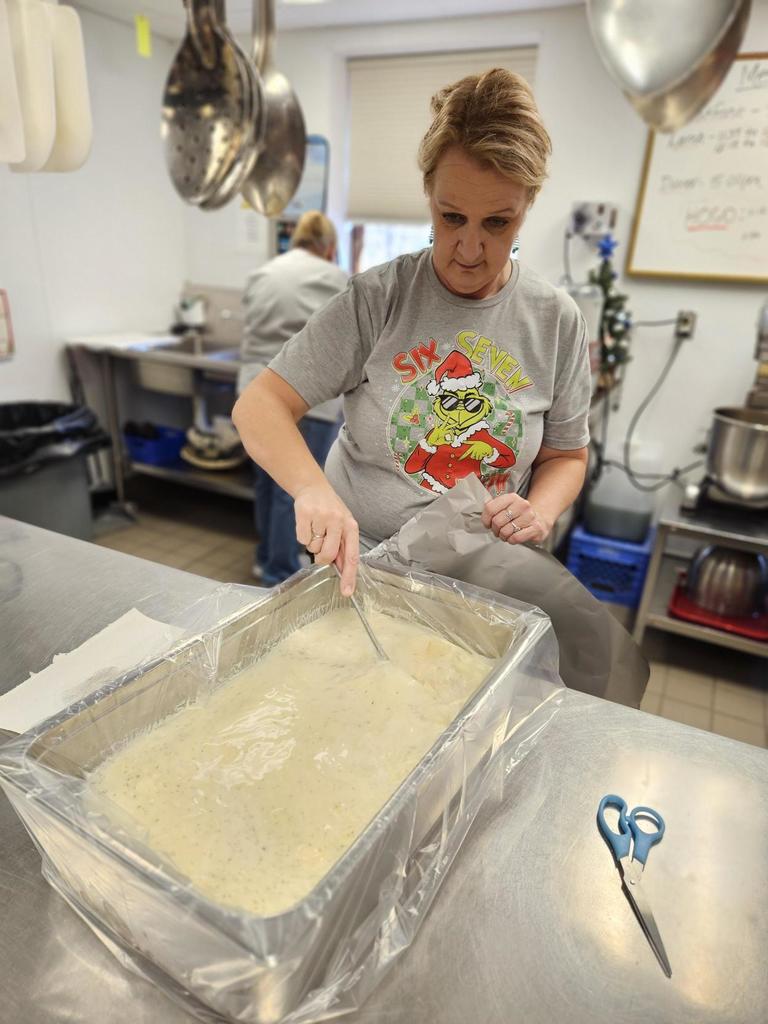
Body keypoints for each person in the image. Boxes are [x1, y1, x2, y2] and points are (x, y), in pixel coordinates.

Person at [233, 69, 591, 597]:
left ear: (526, 207)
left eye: (497, 223)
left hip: (484, 581)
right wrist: (312, 489)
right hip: (360, 569)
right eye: (452, 218)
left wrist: (538, 511)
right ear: (428, 194)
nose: (469, 250)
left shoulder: (555, 319)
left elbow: (566, 457)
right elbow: (259, 405)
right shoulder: (378, 299)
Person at [237, 210, 347, 585]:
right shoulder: (336, 279)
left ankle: (266, 557)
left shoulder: (264, 273)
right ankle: (280, 573)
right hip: (308, 395)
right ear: (329, 247)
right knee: (296, 489)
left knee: (267, 482)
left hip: (256, 393)